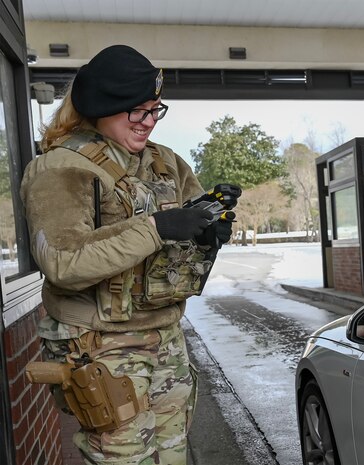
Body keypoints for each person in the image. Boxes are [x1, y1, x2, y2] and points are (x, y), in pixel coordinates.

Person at [20, 45, 233, 465]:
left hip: (166, 334)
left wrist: (210, 230)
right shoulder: (61, 168)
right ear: (103, 106)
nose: (150, 122)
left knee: (172, 456)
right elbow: (63, 262)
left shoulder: (164, 162)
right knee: (125, 457)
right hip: (102, 348)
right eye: (138, 111)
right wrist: (156, 228)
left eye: (156, 110)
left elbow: (185, 234)